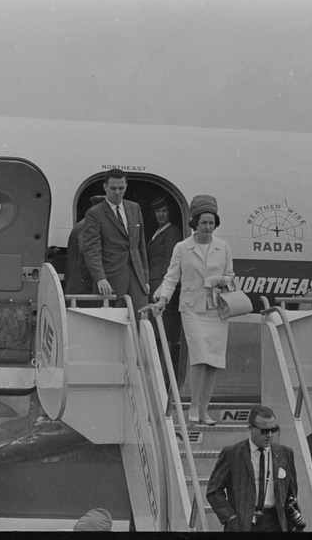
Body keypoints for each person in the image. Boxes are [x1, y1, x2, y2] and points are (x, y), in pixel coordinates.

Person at [152, 194, 232, 425]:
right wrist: (163, 299)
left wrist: (218, 281)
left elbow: (230, 277)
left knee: (214, 361)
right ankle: (193, 407)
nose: (208, 227)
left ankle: (205, 409)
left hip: (217, 309)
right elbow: (171, 277)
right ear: (194, 223)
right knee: (199, 356)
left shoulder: (223, 247)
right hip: (192, 309)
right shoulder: (182, 247)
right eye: (204, 222)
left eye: (211, 222)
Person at [206, 406, 301, 533]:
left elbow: (291, 491)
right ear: (250, 428)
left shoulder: (285, 453)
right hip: (244, 523)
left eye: (273, 430)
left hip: (277, 523)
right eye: (264, 431)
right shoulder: (232, 453)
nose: (270, 435)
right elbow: (214, 491)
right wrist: (230, 517)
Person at [81, 169, 150, 309]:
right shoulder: (94, 214)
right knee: (113, 326)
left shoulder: (134, 208)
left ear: (126, 186)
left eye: (121, 188)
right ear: (105, 187)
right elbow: (92, 249)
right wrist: (100, 278)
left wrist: (145, 279)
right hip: (111, 280)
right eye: (113, 188)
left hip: (137, 279)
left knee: (140, 321)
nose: (117, 192)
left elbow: (140, 246)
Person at [147, 194, 182, 346]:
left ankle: (163, 368)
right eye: (157, 211)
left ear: (170, 212)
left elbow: (170, 261)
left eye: (164, 211)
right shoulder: (159, 231)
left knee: (163, 331)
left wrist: (163, 287)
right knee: (156, 329)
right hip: (153, 283)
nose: (160, 214)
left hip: (161, 285)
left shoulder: (172, 232)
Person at [65, 195, 105, 295]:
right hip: (85, 289)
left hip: (76, 286)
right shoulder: (88, 226)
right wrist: (93, 280)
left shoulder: (80, 225)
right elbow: (86, 253)